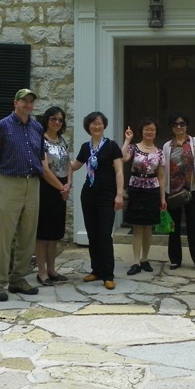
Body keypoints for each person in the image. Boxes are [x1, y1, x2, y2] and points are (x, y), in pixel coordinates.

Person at [0, 88, 66, 302]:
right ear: (16, 103)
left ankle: (18, 278)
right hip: (10, 182)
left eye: (31, 102)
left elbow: (41, 159)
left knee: (28, 234)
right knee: (5, 235)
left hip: (33, 183)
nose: (28, 105)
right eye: (24, 101)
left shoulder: (37, 128)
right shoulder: (2, 126)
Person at [69, 111, 124, 290]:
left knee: (104, 234)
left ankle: (108, 274)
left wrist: (119, 194)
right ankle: (97, 270)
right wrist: (56, 161)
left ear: (104, 125)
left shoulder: (112, 146)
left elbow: (119, 171)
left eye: (99, 123)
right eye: (93, 123)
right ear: (88, 127)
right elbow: (75, 166)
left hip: (107, 196)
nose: (97, 126)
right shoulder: (86, 147)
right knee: (92, 233)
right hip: (89, 195)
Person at [162, 112, 195, 272]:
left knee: (194, 226)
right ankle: (175, 260)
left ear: (186, 125)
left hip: (192, 190)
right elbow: (163, 169)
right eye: (175, 124)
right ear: (172, 127)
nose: (179, 127)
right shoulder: (167, 146)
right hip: (173, 192)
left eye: (182, 124)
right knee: (173, 227)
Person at [122, 119, 167, 275]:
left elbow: (161, 176)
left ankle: (145, 259)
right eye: (147, 129)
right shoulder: (133, 148)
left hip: (152, 190)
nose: (149, 132)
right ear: (142, 131)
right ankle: (135, 261)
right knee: (137, 227)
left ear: (156, 132)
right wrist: (127, 139)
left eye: (152, 130)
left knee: (148, 227)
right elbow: (122, 158)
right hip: (136, 188)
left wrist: (163, 197)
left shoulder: (159, 152)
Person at [36, 105, 71, 286]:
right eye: (53, 119)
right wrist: (61, 188)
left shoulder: (62, 140)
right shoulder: (41, 140)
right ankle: (41, 272)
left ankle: (52, 269)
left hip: (61, 189)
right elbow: (44, 169)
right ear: (47, 120)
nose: (57, 122)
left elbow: (68, 164)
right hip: (47, 189)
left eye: (60, 120)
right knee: (43, 233)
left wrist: (68, 185)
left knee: (55, 233)